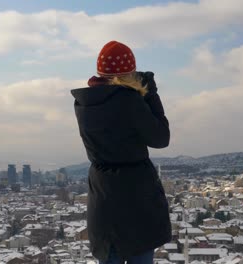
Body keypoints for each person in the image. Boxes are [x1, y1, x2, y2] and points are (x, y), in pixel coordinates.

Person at [70, 40, 172, 264]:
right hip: (135, 194)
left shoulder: (84, 104)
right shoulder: (129, 101)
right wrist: (151, 95)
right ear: (128, 74)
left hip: (102, 191)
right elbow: (161, 138)